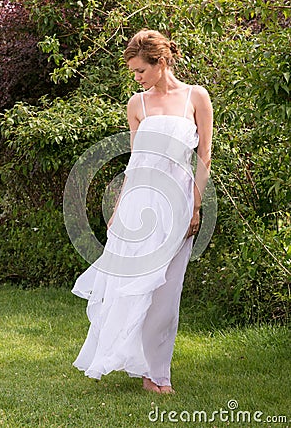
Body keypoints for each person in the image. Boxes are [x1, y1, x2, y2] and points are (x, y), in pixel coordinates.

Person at [71, 29, 213, 394]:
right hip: (139, 205)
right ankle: (147, 371)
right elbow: (134, 162)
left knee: (166, 293)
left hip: (178, 205)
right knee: (132, 288)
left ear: (161, 62)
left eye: (139, 70)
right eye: (133, 71)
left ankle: (157, 372)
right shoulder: (138, 104)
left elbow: (204, 158)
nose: (136, 77)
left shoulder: (196, 97)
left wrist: (196, 206)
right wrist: (118, 209)